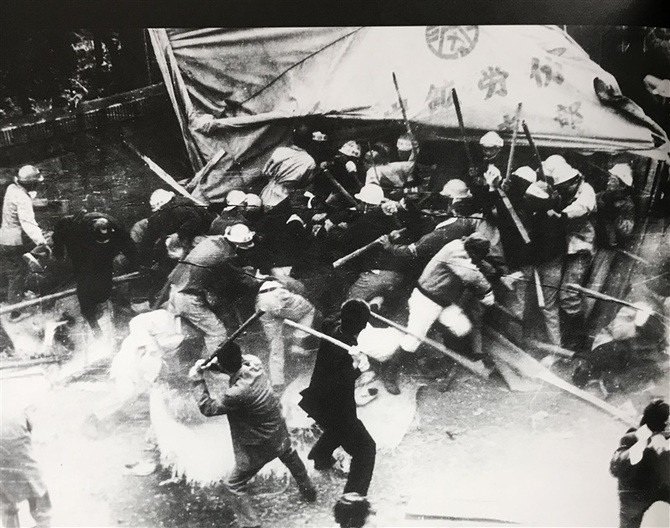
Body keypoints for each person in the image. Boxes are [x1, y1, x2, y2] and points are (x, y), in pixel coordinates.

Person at [189, 342, 317, 528]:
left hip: (259, 443)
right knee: (288, 455)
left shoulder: (235, 394)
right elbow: (233, 364)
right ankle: (309, 490)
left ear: (224, 364)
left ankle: (251, 524)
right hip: (277, 429)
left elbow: (208, 408)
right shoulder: (254, 363)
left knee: (234, 484)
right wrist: (212, 365)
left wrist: (197, 380)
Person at [381, 233, 496, 394]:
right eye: (478, 257)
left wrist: (490, 269)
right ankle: (389, 373)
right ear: (472, 250)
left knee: (461, 327)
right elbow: (470, 274)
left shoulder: (463, 247)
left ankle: (444, 363)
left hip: (443, 302)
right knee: (414, 339)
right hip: (425, 300)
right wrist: (487, 291)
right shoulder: (455, 252)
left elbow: (475, 265)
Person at [298, 300, 376, 501]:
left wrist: (357, 308)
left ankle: (320, 456)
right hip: (337, 406)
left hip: (320, 400)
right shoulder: (344, 350)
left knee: (337, 430)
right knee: (365, 449)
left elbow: (333, 316)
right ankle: (352, 501)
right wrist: (358, 367)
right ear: (363, 326)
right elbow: (340, 382)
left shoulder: (330, 326)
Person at [166, 226, 257, 356]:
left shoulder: (214, 240)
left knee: (174, 333)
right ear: (238, 244)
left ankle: (174, 363)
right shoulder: (223, 255)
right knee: (217, 332)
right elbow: (236, 278)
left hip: (176, 288)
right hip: (188, 298)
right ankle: (214, 366)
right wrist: (255, 279)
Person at [52, 210, 137, 336]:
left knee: (103, 279)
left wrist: (137, 263)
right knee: (85, 280)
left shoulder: (115, 226)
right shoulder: (75, 230)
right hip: (79, 246)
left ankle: (98, 305)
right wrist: (59, 252)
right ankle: (91, 320)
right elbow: (77, 260)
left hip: (103, 250)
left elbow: (128, 245)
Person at [610, 399, 669, 528]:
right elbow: (616, 467)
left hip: (664, 484)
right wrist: (643, 444)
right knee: (629, 522)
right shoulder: (632, 439)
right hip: (636, 490)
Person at [0, 165, 51, 305]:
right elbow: (28, 223)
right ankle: (15, 309)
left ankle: (19, 294)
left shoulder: (12, 188)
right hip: (15, 242)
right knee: (17, 275)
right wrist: (41, 242)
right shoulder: (23, 199)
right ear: (32, 184)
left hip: (4, 237)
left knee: (14, 271)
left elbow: (20, 200)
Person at [0, 399, 52, 528]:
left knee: (5, 497)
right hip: (18, 439)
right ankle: (43, 522)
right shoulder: (17, 403)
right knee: (37, 489)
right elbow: (30, 425)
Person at [259, 125, 317, 207]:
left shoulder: (280, 151)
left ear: (293, 138)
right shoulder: (310, 162)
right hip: (285, 199)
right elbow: (304, 183)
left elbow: (264, 172)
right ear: (309, 142)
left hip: (267, 195)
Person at [596, 163, 636, 249]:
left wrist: (615, 217)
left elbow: (626, 231)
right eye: (609, 179)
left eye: (613, 181)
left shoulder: (627, 205)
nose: (608, 183)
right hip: (597, 240)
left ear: (622, 186)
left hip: (611, 247)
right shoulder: (603, 196)